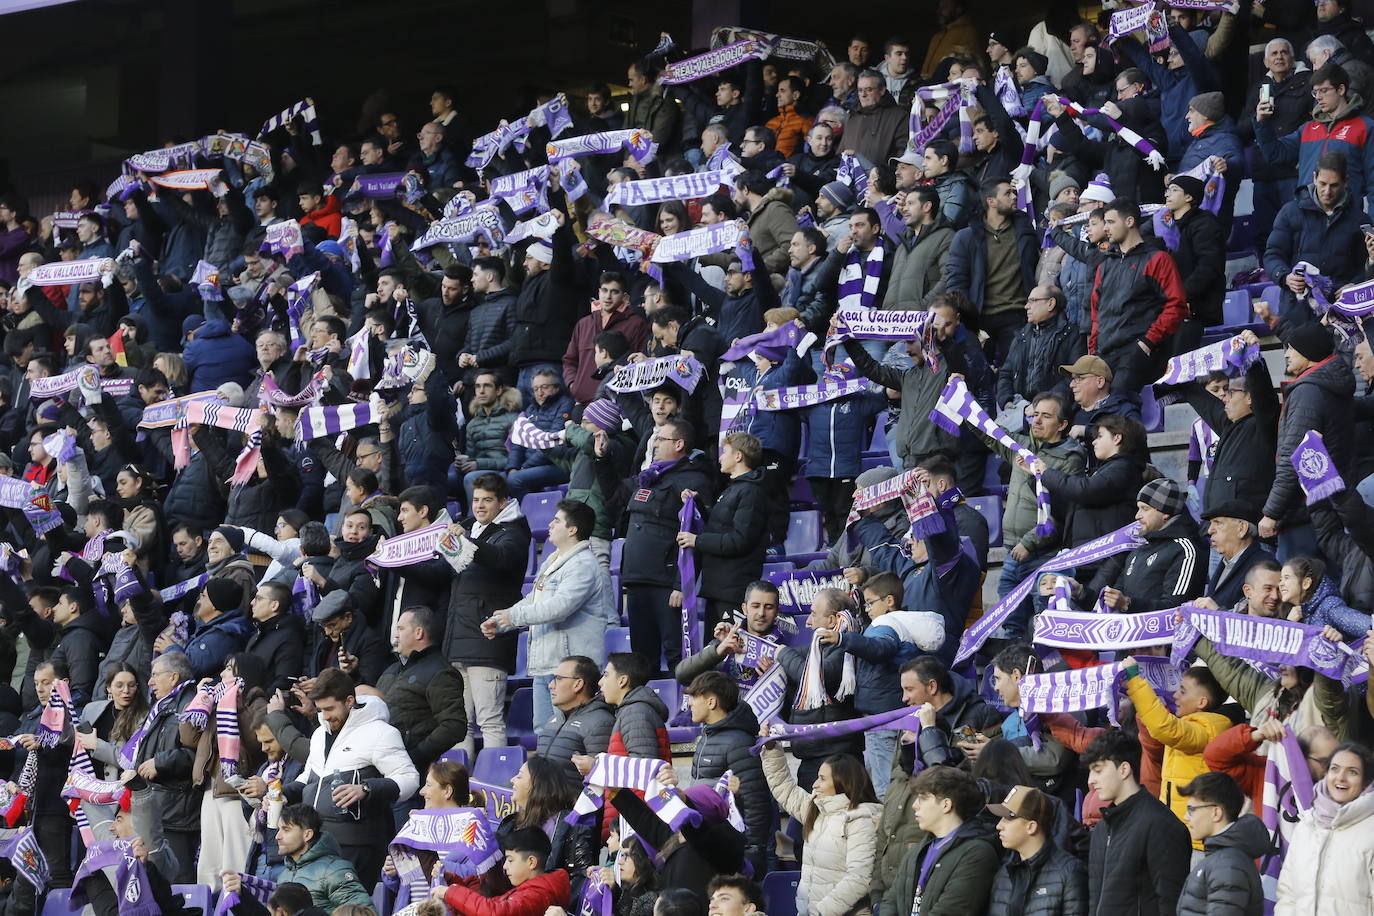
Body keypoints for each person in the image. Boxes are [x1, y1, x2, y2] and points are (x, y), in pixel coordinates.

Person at [482, 499, 616, 727]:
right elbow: (534, 599)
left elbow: (560, 607)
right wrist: (503, 620)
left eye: (557, 520)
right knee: (544, 735)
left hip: (571, 669)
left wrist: (514, 617)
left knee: (568, 736)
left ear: (572, 530)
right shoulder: (553, 561)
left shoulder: (583, 564)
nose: (550, 525)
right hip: (546, 664)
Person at [285, 668, 420, 886]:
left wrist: (365, 789)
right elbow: (308, 777)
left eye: (330, 708)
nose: (325, 716)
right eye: (320, 710)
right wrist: (282, 794)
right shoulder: (320, 733)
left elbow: (409, 778)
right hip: (317, 842)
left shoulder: (380, 732)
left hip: (358, 845)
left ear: (349, 701)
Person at [1049, 198, 1188, 392]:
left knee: (1116, 407)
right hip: (1105, 354)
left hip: (1137, 352)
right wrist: (1094, 349)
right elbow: (1096, 312)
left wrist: (1147, 343)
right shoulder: (1105, 264)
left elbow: (1176, 307)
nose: (1106, 228)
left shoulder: (1157, 259)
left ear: (1129, 222)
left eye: (1111, 222)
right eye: (1104, 223)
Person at [438, 472, 532, 756]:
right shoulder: (469, 526)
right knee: (460, 724)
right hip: (458, 639)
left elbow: (501, 558)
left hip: (488, 640)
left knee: (489, 720)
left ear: (502, 502)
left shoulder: (515, 532)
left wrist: (468, 542)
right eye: (476, 500)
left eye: (487, 500)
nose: (479, 506)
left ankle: (496, 787)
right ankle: (460, 791)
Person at [620, 417, 715, 672]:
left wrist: (681, 584)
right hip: (638, 580)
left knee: (678, 657)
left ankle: (688, 710)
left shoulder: (694, 480)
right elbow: (612, 494)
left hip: (667, 585)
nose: (655, 444)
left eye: (661, 439)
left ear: (679, 444)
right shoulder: (649, 477)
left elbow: (696, 535)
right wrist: (602, 459)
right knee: (641, 660)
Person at [760, 747, 881, 916]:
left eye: (822, 779)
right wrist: (772, 749)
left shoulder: (861, 820)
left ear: (843, 783)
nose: (815, 784)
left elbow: (859, 878)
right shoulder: (817, 810)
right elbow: (784, 787)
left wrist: (821, 912)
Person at [1081, 729, 1191, 915]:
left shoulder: (1160, 824)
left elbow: (1172, 902)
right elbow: (1096, 900)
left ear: (1124, 769)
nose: (1091, 780)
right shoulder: (1102, 828)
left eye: (1098, 770)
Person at [1120, 657, 1230, 839]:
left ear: (1202, 703)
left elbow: (1164, 727)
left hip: (1195, 839)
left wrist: (1135, 680)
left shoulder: (1206, 729)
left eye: (1183, 691)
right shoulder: (1197, 725)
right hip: (1181, 830)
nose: (1176, 695)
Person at [1262, 150, 1372, 326]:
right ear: (1314, 178)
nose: (1327, 191)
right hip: (1297, 312)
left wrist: (1355, 286)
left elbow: (1367, 266)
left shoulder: (1360, 220)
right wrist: (1285, 277)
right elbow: (1272, 255)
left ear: (1346, 182)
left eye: (1334, 185)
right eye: (1322, 183)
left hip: (1342, 313)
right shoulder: (1290, 213)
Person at [677, 432, 768, 627]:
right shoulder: (734, 489)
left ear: (738, 456)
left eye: (724, 451)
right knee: (714, 653)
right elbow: (719, 528)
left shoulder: (751, 492)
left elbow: (739, 540)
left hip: (732, 590)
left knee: (730, 652)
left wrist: (697, 541)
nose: (720, 457)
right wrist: (697, 505)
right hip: (719, 588)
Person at [882, 766, 1000, 916]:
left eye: (923, 798)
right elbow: (890, 900)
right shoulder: (919, 849)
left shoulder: (977, 853)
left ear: (946, 805)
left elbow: (950, 911)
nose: (914, 805)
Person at [945, 178, 1039, 357]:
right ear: (991, 201)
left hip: (1017, 317)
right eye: (1008, 193)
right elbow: (956, 280)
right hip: (979, 320)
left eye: (1014, 193)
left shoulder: (1025, 232)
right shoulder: (966, 237)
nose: (1014, 197)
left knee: (1012, 377)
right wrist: (967, 319)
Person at [1276, 742, 1374, 913]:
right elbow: (1287, 894)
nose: (1341, 777)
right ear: (1326, 774)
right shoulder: (1306, 826)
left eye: (1352, 772)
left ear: (1365, 783)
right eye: (1335, 769)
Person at [224, 803, 373, 911]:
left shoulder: (334, 870)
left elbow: (363, 912)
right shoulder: (285, 875)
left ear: (307, 834)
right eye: (278, 830)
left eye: (286, 830)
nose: (277, 837)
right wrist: (242, 894)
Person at [375, 605, 468, 778]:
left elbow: (454, 725)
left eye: (401, 629)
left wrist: (414, 757)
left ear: (419, 633)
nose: (396, 635)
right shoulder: (392, 669)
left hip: (411, 775)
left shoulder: (440, 672)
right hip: (379, 769)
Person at [1174, 772, 1268, 915]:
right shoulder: (1222, 859)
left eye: (1191, 810)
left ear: (1216, 813)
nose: (1186, 817)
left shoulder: (1228, 865)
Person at [986, 784, 1089, 914]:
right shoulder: (1003, 874)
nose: (999, 826)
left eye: (1007, 818)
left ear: (1031, 827)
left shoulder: (1070, 872)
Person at [433, 826, 573, 916]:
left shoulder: (537, 895)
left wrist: (450, 892)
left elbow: (494, 912)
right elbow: (489, 903)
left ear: (531, 862)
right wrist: (452, 880)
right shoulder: (533, 889)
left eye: (511, 860)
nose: (505, 866)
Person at [536, 655, 614, 764]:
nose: (550, 685)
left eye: (558, 679)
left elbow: (599, 774)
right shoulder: (553, 720)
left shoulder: (601, 723)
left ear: (578, 684)